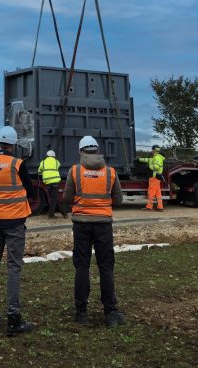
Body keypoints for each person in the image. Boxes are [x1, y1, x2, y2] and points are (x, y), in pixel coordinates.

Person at [62, 135, 125, 327]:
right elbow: (119, 200)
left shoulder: (74, 171)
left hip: (81, 224)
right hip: (103, 225)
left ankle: (81, 312)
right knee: (106, 267)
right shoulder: (110, 172)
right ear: (97, 150)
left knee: (82, 267)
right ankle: (110, 313)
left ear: (81, 151)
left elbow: (66, 198)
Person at [0, 126, 35, 336]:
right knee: (13, 268)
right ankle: (13, 318)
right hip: (14, 222)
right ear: (14, 144)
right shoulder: (18, 164)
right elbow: (30, 190)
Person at [37, 149, 66, 218]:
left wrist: (42, 173)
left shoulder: (43, 162)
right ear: (54, 156)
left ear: (47, 155)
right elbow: (58, 166)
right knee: (54, 198)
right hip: (55, 181)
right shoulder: (56, 161)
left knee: (53, 198)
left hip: (47, 183)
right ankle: (54, 214)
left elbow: (39, 171)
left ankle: (60, 213)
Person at [144, 144, 164, 211]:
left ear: (154, 150)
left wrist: (150, 166)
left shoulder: (156, 157)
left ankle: (149, 207)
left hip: (154, 177)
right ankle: (160, 207)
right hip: (157, 177)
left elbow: (156, 167)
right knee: (158, 193)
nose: (151, 151)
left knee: (151, 192)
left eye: (152, 150)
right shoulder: (158, 157)